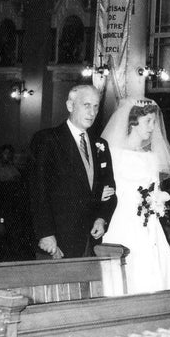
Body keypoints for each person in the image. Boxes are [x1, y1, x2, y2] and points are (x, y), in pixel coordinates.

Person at [101, 97, 170, 294]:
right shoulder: (113, 153)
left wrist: (157, 201)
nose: (153, 127)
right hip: (122, 219)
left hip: (148, 223)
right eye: (148, 121)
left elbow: (155, 189)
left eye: (155, 121)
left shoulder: (152, 157)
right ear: (133, 121)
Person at [29, 84, 116, 259]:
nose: (92, 112)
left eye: (96, 106)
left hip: (90, 241)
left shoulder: (100, 145)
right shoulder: (47, 139)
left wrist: (102, 218)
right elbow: (38, 191)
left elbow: (110, 191)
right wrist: (46, 234)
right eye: (86, 105)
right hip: (57, 241)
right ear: (70, 106)